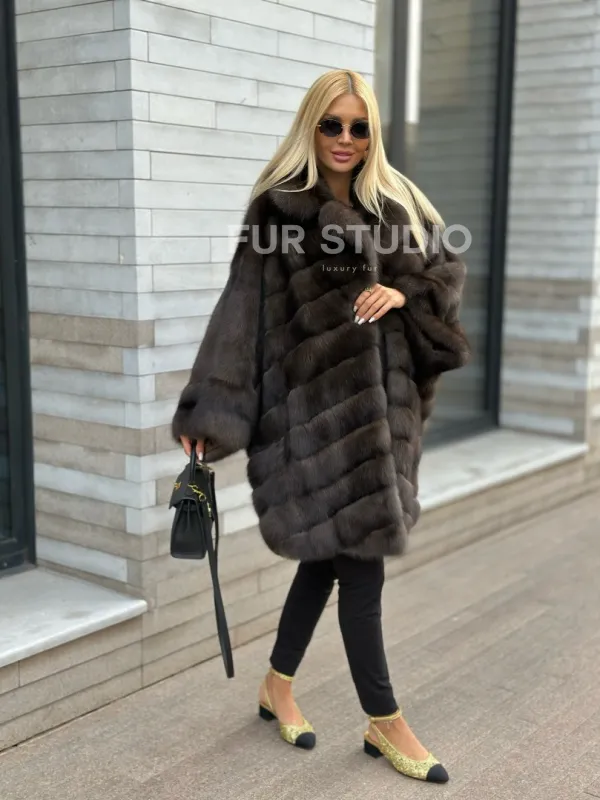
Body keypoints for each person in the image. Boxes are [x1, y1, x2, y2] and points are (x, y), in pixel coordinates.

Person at [172, 69, 469, 784]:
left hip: (385, 419)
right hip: (308, 423)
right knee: (360, 569)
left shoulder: (396, 205)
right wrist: (211, 410)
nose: (345, 138)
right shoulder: (276, 214)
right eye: (332, 124)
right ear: (312, 125)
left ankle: (276, 686)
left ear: (373, 134)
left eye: (359, 127)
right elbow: (240, 313)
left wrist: (402, 291)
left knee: (325, 562)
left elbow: (445, 275)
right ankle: (385, 721)